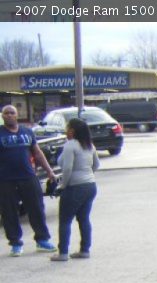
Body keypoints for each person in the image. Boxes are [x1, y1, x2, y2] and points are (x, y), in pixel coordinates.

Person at [0, 104, 57, 256]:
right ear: (2, 116)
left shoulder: (27, 132)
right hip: (5, 180)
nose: (9, 115)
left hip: (28, 176)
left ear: (17, 115)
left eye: (12, 113)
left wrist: (49, 171)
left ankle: (42, 240)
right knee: (9, 212)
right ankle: (15, 243)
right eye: (6, 113)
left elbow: (37, 152)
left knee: (37, 209)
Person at [50, 117, 100, 262]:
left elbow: (67, 168)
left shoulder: (70, 145)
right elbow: (96, 165)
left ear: (72, 131)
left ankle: (63, 253)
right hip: (90, 185)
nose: (66, 131)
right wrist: (87, 174)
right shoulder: (89, 145)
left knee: (65, 220)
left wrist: (62, 185)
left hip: (75, 187)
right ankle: (85, 250)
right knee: (84, 219)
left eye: (67, 128)